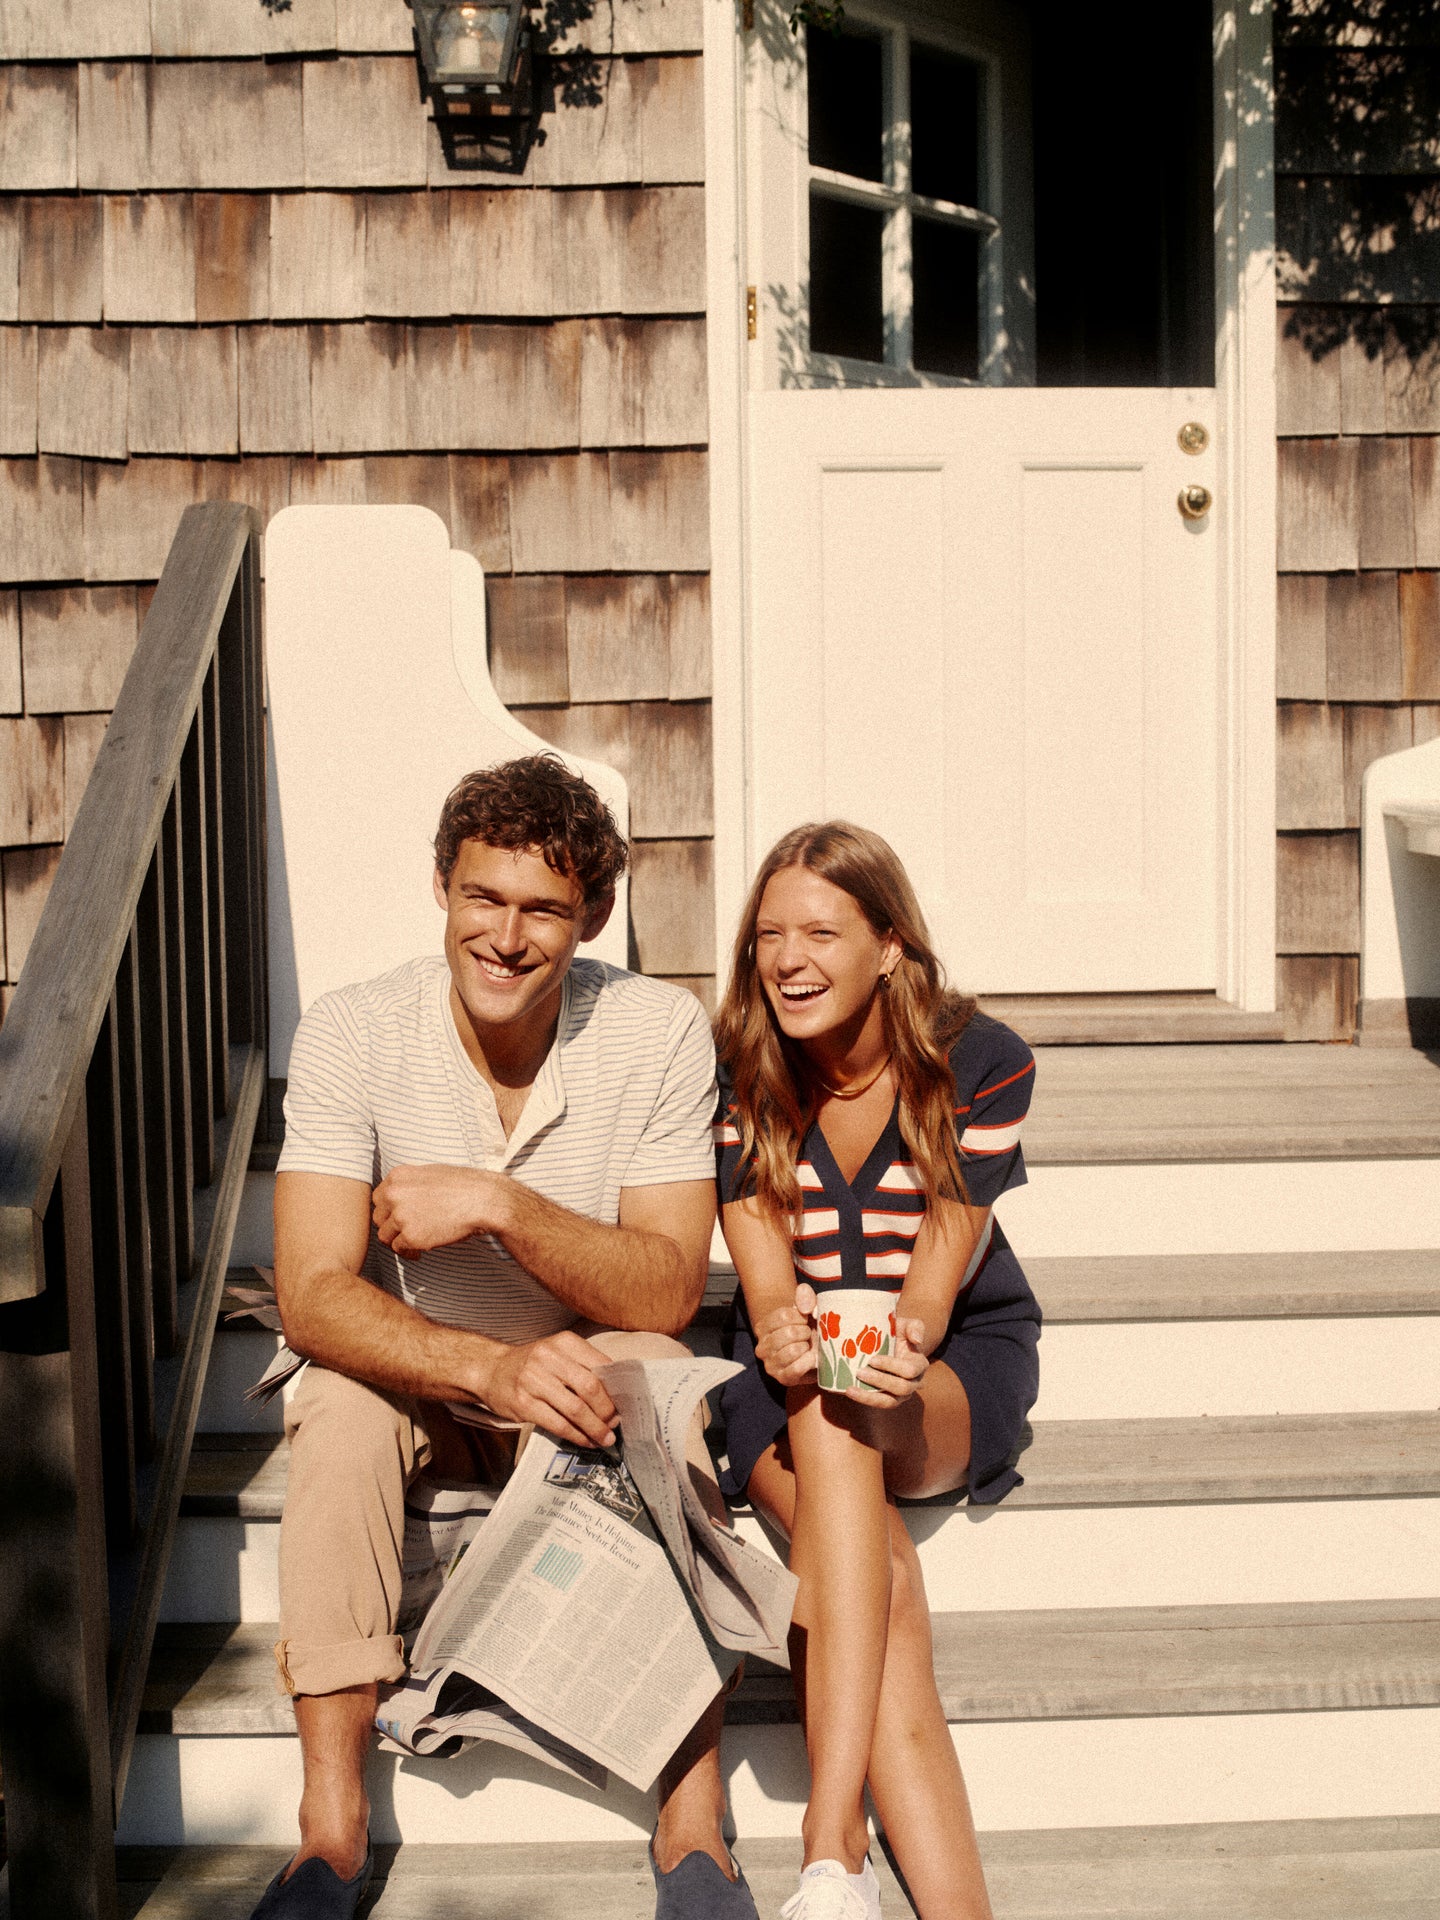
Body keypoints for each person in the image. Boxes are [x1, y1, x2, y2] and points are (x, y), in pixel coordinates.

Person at [253, 755, 758, 1920]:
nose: (507, 936)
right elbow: (312, 1295)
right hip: (424, 1373)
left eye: (544, 909)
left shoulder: (655, 1030)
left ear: (594, 917)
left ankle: (694, 1822)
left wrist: (499, 1205)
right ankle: (329, 1835)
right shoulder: (352, 1030)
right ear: (442, 885)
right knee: (336, 1399)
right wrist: (488, 1366)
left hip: (582, 1379)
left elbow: (667, 1286)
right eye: (484, 896)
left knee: (660, 1381)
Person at [712, 822, 1041, 1920]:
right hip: (789, 1376)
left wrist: (895, 1342)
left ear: (890, 945)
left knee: (847, 1394)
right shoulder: (741, 1064)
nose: (788, 960)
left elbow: (935, 1287)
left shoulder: (980, 1061)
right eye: (769, 936)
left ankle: (830, 1843)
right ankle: (904, 1891)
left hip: (949, 1364)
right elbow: (765, 1273)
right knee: (879, 1570)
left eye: (821, 933)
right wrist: (778, 1325)